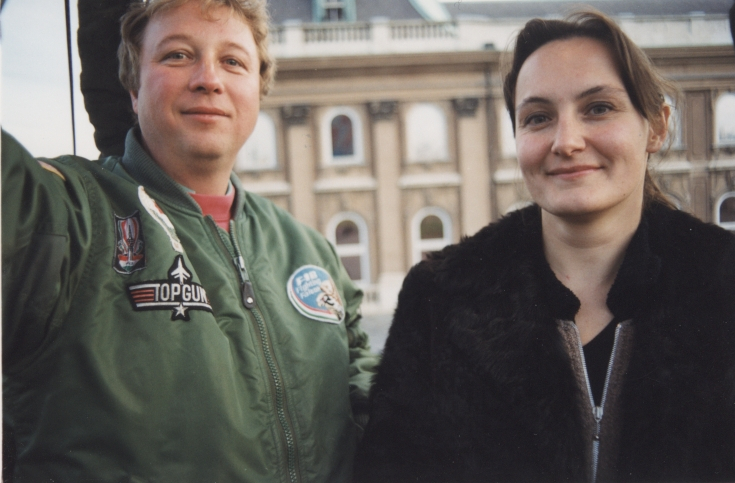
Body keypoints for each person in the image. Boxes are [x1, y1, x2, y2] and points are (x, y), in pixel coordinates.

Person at [1, 0, 377, 481]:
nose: (209, 79)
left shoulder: (307, 251)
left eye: (233, 61)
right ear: (133, 89)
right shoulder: (69, 215)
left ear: (258, 89)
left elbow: (383, 406)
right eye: (177, 55)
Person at [355, 10, 735, 483]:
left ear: (656, 127)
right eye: (538, 118)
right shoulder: (438, 298)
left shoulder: (724, 281)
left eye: (598, 108)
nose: (566, 142)